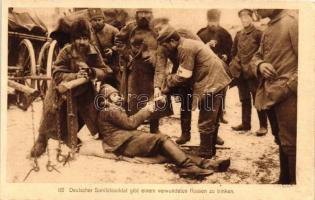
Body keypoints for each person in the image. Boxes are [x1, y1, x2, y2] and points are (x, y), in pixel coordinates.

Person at [97, 84, 230, 178]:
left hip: (126, 139)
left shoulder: (112, 109)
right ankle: (189, 167)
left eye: (117, 94)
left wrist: (151, 106)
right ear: (106, 99)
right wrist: (148, 109)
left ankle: (206, 163)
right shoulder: (110, 110)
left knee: (166, 146)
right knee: (162, 139)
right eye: (114, 95)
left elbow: (128, 123)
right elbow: (130, 123)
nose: (118, 97)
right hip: (121, 143)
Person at [30, 18, 113, 157]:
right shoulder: (66, 51)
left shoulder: (93, 51)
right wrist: (75, 76)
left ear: (89, 38)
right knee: (50, 117)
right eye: (78, 38)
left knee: (91, 115)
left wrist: (92, 71)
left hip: (83, 92)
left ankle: (70, 136)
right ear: (73, 39)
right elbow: (57, 73)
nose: (82, 42)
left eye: (85, 38)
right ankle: (41, 141)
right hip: (61, 90)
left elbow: (105, 71)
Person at [157, 26, 231, 159]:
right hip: (216, 79)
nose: (165, 49)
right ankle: (210, 148)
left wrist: (167, 85)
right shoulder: (186, 44)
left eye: (165, 45)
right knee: (211, 118)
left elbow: (184, 74)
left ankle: (205, 152)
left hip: (212, 81)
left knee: (206, 118)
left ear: (173, 41)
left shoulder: (185, 48)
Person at [251, 9, 298, 184]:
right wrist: (260, 65)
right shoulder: (270, 26)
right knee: (281, 138)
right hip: (271, 94)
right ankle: (284, 180)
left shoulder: (293, 21)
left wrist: (289, 88)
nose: (256, 9)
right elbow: (257, 56)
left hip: (289, 96)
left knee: (292, 143)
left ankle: (296, 187)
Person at [114, 9, 171, 134]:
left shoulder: (156, 27)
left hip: (152, 70)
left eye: (147, 13)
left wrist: (155, 54)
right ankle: (132, 127)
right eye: (141, 13)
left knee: (154, 97)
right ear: (137, 14)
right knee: (133, 100)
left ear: (152, 14)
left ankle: (154, 128)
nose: (144, 16)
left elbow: (164, 43)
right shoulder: (130, 27)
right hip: (135, 69)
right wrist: (127, 54)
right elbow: (118, 40)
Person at [152, 18, 198, 145]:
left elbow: (202, 47)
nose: (159, 32)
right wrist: (157, 87)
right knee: (185, 100)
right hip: (181, 70)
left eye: (161, 28)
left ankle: (212, 136)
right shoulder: (162, 44)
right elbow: (160, 67)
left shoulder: (185, 33)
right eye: (156, 30)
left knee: (208, 101)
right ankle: (185, 133)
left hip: (197, 67)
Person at [229, 9, 268, 136]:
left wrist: (257, 67)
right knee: (244, 99)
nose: (244, 20)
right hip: (241, 73)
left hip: (253, 73)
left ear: (251, 18)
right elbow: (233, 52)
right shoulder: (239, 34)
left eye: (246, 17)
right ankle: (245, 124)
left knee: (258, 99)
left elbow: (263, 52)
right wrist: (233, 64)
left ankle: (263, 126)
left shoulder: (258, 33)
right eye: (242, 18)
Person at [197, 9, 233, 125]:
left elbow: (230, 49)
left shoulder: (225, 34)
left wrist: (226, 56)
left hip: (221, 67)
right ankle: (206, 115)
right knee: (206, 91)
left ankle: (220, 114)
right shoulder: (201, 34)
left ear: (219, 20)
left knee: (221, 90)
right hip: (206, 68)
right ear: (207, 20)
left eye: (215, 21)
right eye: (211, 21)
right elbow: (196, 49)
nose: (213, 23)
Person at [88, 8, 121, 88]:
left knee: (118, 84)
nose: (97, 22)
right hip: (98, 64)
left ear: (103, 20)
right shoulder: (88, 32)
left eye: (99, 20)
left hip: (113, 63)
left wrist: (112, 49)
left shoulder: (113, 30)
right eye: (94, 20)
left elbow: (121, 43)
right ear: (90, 22)